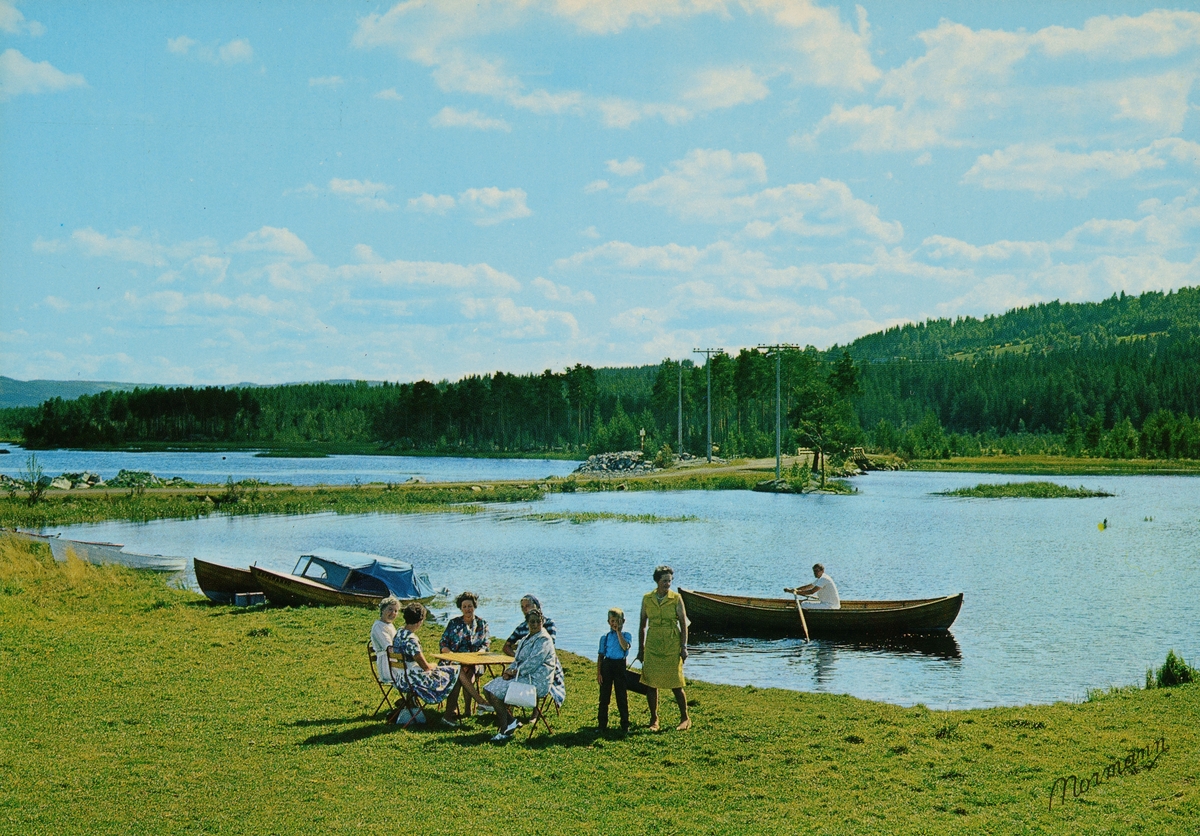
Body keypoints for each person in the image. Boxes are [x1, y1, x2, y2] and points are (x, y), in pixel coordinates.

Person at [391, 602, 484, 727]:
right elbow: (425, 666)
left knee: (455, 670)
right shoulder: (411, 639)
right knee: (456, 673)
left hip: (400, 677)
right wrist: (433, 665)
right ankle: (450, 715)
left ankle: (479, 702)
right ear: (420, 621)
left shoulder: (399, 633)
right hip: (412, 679)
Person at [483, 607, 560, 742]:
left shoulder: (544, 640)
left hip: (536, 681)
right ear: (527, 623)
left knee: (495, 694)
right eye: (532, 622)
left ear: (542, 622)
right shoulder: (525, 639)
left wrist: (515, 672)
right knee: (488, 689)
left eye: (538, 621)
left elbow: (533, 662)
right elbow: (517, 660)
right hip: (522, 676)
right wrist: (508, 671)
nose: (535, 624)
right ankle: (511, 721)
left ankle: (505, 728)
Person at [636, 565, 691, 731]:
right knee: (651, 683)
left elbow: (683, 624)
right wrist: (641, 648)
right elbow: (642, 626)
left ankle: (685, 718)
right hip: (653, 644)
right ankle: (654, 719)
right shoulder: (647, 598)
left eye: (670, 581)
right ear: (657, 581)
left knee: (676, 683)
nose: (668, 584)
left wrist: (684, 647)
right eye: (664, 581)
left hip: (671, 644)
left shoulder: (676, 598)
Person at [439, 591, 490, 724]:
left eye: (470, 606)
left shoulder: (482, 623)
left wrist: (479, 653)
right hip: (453, 660)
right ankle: (480, 701)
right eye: (465, 606)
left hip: (474, 661)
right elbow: (443, 644)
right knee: (458, 671)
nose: (468, 609)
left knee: (465, 674)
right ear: (461, 608)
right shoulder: (453, 623)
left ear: (475, 606)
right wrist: (452, 656)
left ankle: (465, 710)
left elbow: (486, 645)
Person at [596, 607, 633, 733]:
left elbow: (624, 647)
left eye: (617, 621)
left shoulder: (626, 636)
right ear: (608, 622)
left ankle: (625, 724)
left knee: (621, 695)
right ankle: (602, 725)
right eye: (612, 621)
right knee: (604, 697)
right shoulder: (605, 638)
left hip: (619, 665)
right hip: (607, 665)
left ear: (623, 621)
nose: (614, 623)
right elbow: (600, 656)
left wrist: (618, 633)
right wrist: (599, 673)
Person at [370, 595, 401, 683]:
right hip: (388, 666)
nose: (393, 613)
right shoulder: (378, 627)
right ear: (383, 610)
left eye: (396, 611)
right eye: (390, 609)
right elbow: (389, 648)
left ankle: (412, 696)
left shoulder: (389, 625)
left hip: (396, 662)